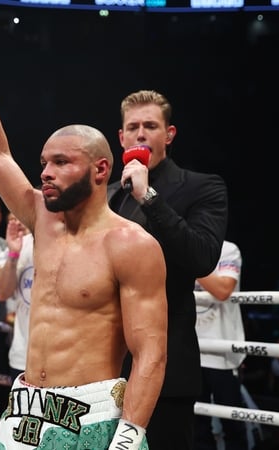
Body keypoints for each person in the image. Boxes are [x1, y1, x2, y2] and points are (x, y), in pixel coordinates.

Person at [0, 18, 168, 449]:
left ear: (100, 169)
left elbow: (150, 352)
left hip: (93, 415)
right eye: (43, 163)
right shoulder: (41, 217)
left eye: (60, 163)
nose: (45, 173)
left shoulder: (131, 245)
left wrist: (129, 435)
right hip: (25, 411)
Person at [107, 89, 228, 449]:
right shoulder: (108, 195)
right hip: (105, 369)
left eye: (150, 126)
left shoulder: (202, 187)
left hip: (168, 368)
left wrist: (150, 198)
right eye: (133, 127)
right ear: (121, 137)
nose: (141, 134)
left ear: (169, 134)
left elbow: (202, 257)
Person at [194, 240, 248, 450]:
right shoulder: (175, 249)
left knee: (232, 423)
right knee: (196, 425)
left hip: (224, 351)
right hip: (191, 349)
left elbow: (223, 289)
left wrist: (189, 260)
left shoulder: (228, 249)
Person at [0, 213, 33, 381]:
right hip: (22, 356)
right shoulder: (17, 246)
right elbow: (1, 293)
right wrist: (14, 255)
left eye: (20, 216)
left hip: (64, 359)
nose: (17, 223)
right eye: (12, 219)